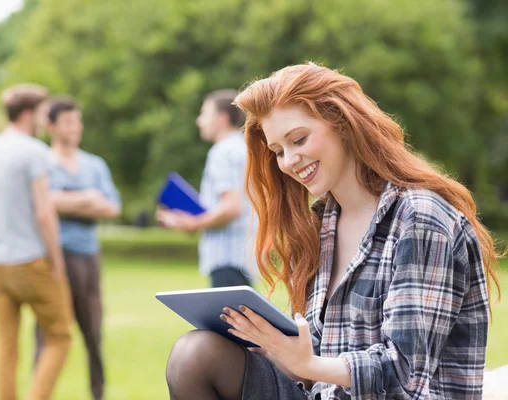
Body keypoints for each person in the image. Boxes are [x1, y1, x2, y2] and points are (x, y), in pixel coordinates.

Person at [164, 63, 503, 399]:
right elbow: (319, 359)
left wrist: (309, 364)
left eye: (299, 139)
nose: (289, 161)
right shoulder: (321, 223)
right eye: (279, 151)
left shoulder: (420, 217)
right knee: (196, 354)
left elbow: (405, 374)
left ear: (343, 124)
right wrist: (273, 347)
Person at [0, 84, 72, 400]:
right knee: (60, 337)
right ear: (27, 114)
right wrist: (57, 260)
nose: (44, 119)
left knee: (6, 344)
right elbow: (44, 213)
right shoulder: (34, 151)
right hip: (32, 261)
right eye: (41, 112)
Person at [34, 96, 121, 400]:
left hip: (88, 259)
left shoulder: (94, 164)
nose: (76, 128)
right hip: (50, 259)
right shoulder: (40, 162)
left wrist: (64, 202)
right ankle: (40, 392)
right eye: (69, 122)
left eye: (78, 121)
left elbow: (112, 207)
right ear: (51, 127)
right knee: (46, 333)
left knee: (93, 332)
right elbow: (42, 203)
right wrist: (86, 199)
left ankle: (98, 394)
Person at [157, 89, 256, 288]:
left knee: (226, 318)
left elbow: (232, 207)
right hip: (244, 257)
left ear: (222, 118)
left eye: (204, 114)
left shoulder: (221, 152)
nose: (199, 121)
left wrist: (192, 223)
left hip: (226, 259)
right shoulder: (244, 148)